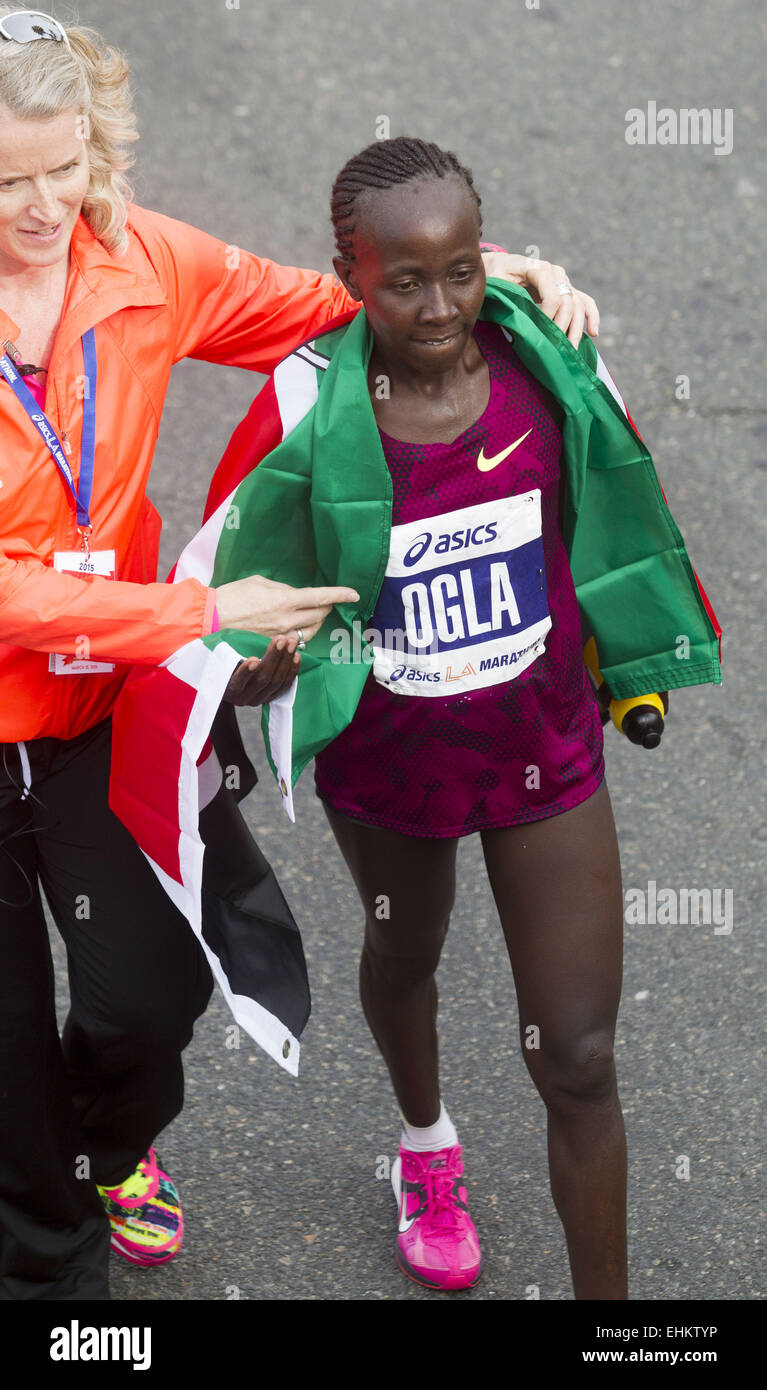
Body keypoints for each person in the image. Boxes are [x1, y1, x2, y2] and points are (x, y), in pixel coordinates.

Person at [0, 12, 593, 1301]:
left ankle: (100, 1149)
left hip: (99, 708)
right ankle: (57, 1278)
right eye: (8, 179)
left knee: (149, 1001)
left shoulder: (140, 257)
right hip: (79, 667)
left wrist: (497, 272)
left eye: (66, 163)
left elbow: (331, 299)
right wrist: (195, 616)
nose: (46, 204)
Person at [149, 136, 720, 1299]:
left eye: (459, 270)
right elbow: (228, 596)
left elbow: (618, 515)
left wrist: (636, 660)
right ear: (348, 273)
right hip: (391, 758)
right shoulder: (307, 401)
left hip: (538, 747)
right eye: (401, 280)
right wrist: (256, 670)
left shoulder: (549, 360)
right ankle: (424, 1145)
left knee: (578, 1052)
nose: (438, 304)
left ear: (486, 255)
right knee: (403, 950)